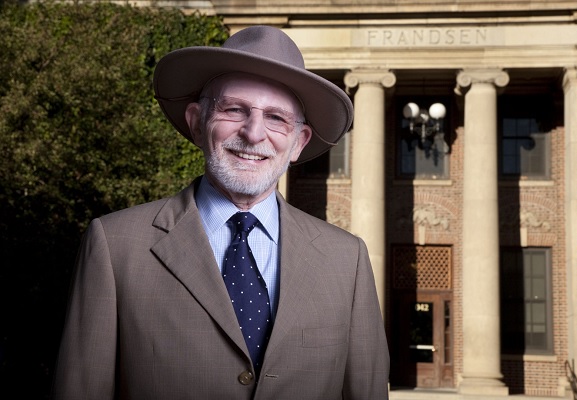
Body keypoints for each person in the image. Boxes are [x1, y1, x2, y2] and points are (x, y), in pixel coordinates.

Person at [53, 25, 389, 399]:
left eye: (277, 118)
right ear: (197, 122)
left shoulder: (347, 259)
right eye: (234, 109)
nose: (254, 133)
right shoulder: (114, 246)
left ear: (299, 143)